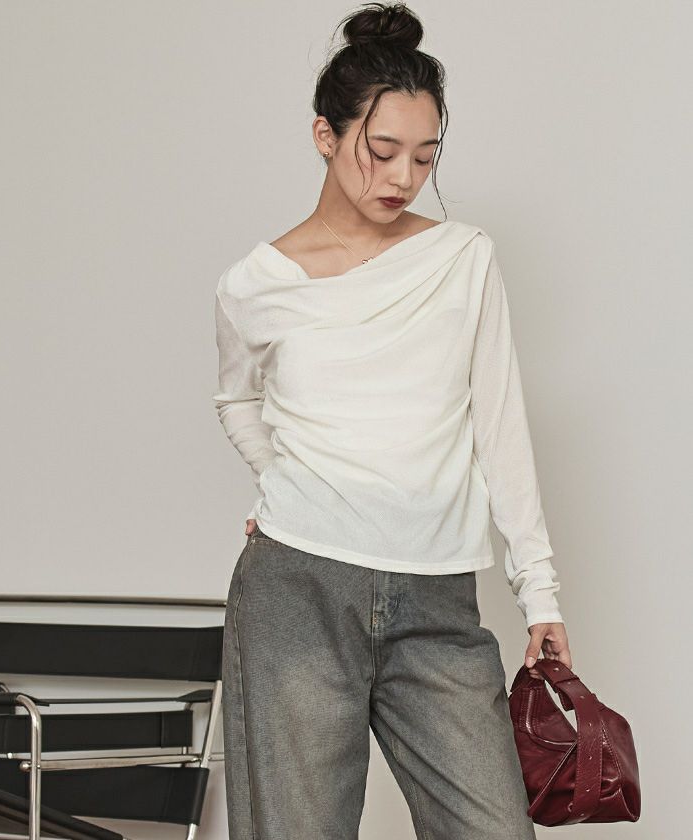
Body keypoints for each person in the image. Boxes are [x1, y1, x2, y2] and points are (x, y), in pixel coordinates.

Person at [212, 3, 572, 838]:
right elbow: (235, 398)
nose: (402, 177)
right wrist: (281, 479)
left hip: (437, 597)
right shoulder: (254, 284)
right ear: (325, 135)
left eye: (424, 156)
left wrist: (540, 592)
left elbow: (500, 425)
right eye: (380, 151)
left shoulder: (461, 259)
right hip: (298, 592)